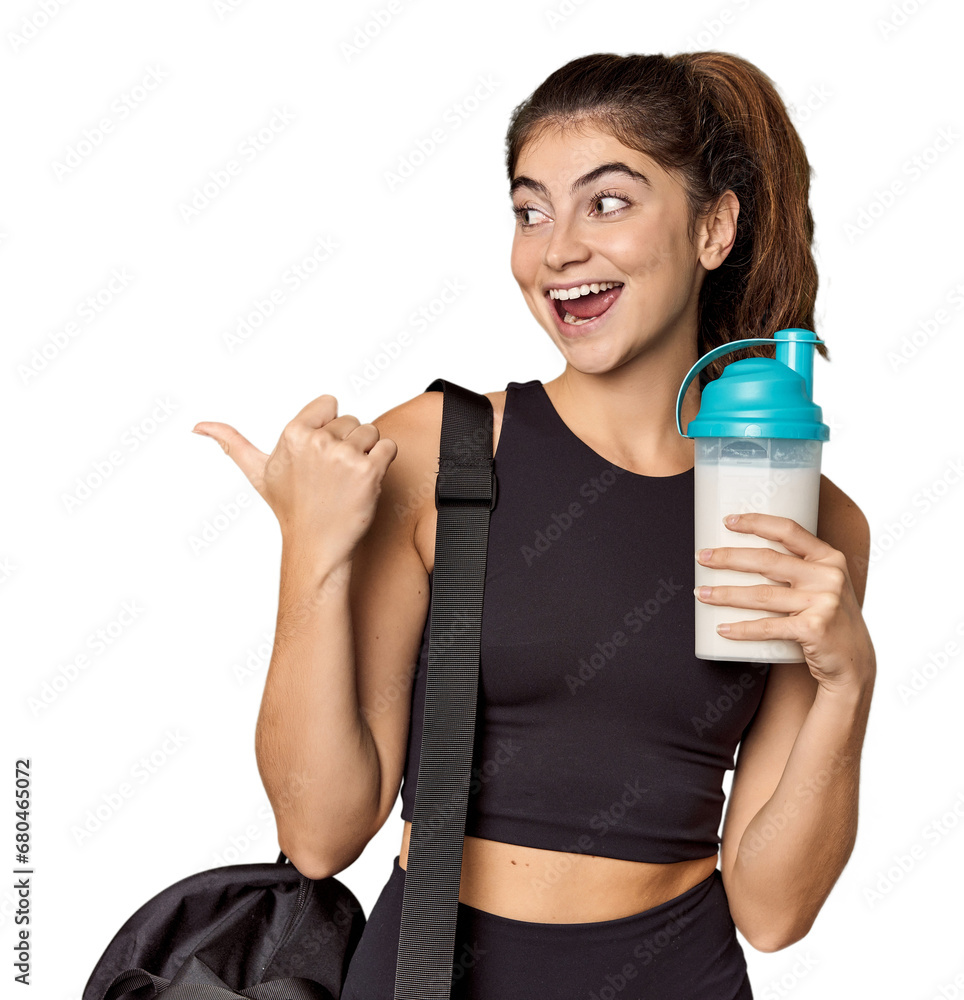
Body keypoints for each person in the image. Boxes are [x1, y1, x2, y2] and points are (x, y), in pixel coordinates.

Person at [192, 50, 877, 999]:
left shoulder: (805, 511)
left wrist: (848, 683)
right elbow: (319, 833)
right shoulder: (438, 452)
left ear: (715, 226)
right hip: (431, 975)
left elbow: (773, 910)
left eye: (608, 202)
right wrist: (309, 552)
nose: (556, 251)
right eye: (530, 210)